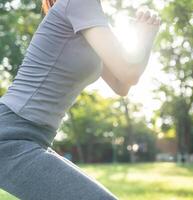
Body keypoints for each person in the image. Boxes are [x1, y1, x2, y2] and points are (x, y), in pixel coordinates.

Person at [0, 0, 161, 199]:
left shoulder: (89, 16)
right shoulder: (80, 2)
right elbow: (129, 73)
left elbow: (122, 85)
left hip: (35, 137)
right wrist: (146, 36)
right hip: (10, 136)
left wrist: (142, 35)